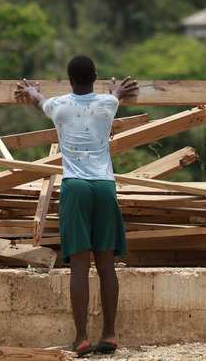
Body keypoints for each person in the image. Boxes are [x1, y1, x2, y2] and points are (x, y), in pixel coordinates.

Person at [14, 55, 139, 357]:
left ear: (69, 80)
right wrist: (117, 91)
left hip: (75, 187)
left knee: (80, 268)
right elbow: (115, 96)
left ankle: (81, 337)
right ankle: (109, 334)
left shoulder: (58, 106)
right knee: (106, 265)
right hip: (104, 186)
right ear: (95, 76)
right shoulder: (108, 105)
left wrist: (30, 90)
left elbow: (37, 99)